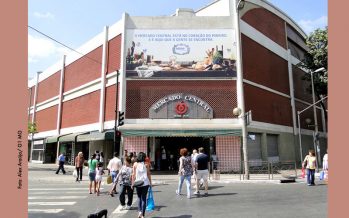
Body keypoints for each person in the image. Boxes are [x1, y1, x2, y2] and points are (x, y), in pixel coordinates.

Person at [132, 152, 152, 218]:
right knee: (144, 198)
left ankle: (139, 212)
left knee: (139, 198)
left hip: (138, 183)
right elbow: (148, 174)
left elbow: (133, 175)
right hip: (145, 183)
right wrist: (150, 183)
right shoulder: (147, 164)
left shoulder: (135, 164)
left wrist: (132, 183)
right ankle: (143, 215)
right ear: (144, 157)